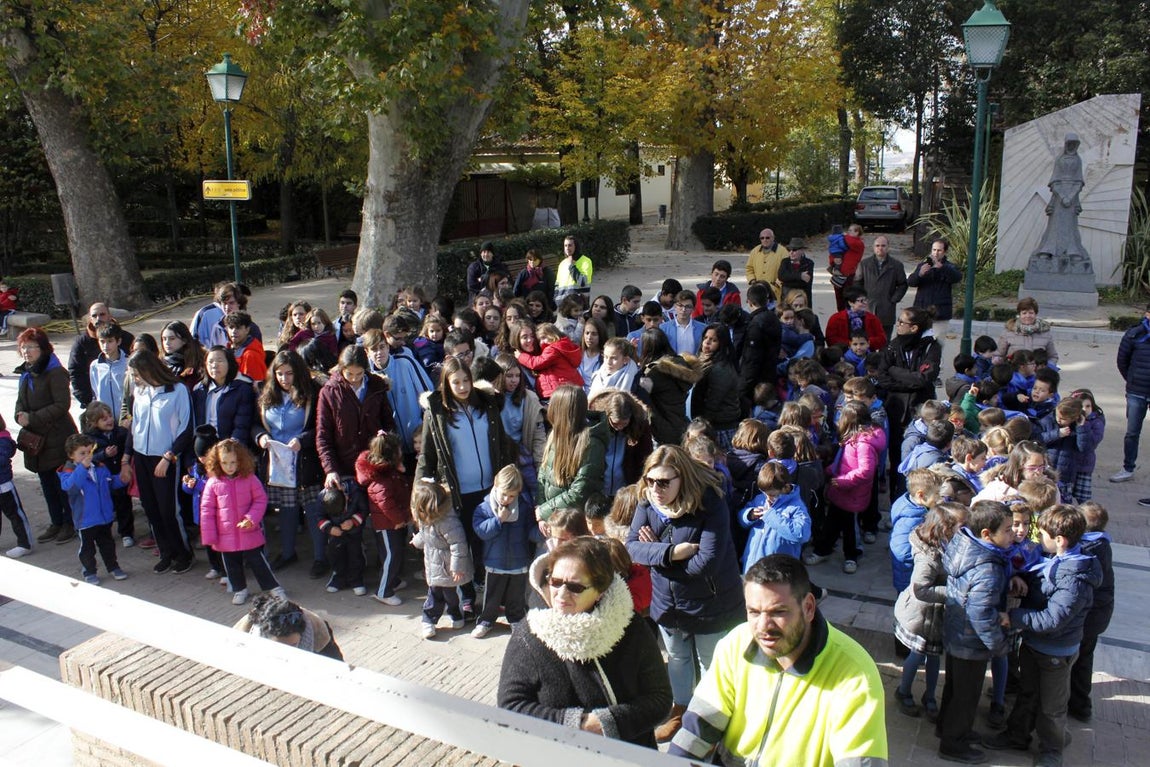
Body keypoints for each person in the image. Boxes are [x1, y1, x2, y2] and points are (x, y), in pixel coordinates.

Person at [669, 553, 888, 766]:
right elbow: (700, 724)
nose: (763, 627)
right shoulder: (736, 642)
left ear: (809, 608)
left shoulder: (856, 675)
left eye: (778, 612)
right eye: (754, 612)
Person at [498, 536, 672, 747]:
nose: (561, 594)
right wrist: (573, 724)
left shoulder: (629, 626)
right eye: (555, 581)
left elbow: (660, 699)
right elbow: (510, 706)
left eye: (575, 587)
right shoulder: (530, 634)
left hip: (628, 754)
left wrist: (610, 722)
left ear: (600, 591)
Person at [626, 445, 744, 742]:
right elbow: (631, 548)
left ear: (683, 478)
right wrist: (672, 552)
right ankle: (680, 710)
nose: (656, 489)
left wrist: (656, 557)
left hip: (711, 601)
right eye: (651, 481)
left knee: (710, 662)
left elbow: (706, 563)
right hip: (668, 603)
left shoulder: (709, 503)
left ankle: (708, 718)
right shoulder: (646, 501)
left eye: (664, 482)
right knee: (677, 657)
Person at [984, 506, 1102, 767]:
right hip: (1035, 645)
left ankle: (1052, 749)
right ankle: (1017, 734)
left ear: (1060, 540)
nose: (1037, 539)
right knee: (1028, 693)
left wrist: (1014, 617)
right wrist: (1019, 579)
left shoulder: (1076, 578)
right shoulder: (1056, 561)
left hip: (1056, 653)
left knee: (1052, 707)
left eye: (1043, 534)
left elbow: (1052, 619)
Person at [417, 356, 515, 616]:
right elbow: (427, 456)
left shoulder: (487, 404)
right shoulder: (436, 412)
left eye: (466, 381)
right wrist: (419, 491)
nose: (462, 387)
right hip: (457, 492)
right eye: (456, 382)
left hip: (488, 490)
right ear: (446, 384)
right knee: (462, 548)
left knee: (488, 543)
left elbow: (501, 443)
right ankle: (467, 597)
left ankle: (493, 597)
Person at [937, 500, 1013, 764]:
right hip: (972, 641)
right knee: (966, 696)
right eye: (1007, 529)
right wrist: (999, 645)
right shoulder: (988, 568)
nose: (1013, 534)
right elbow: (981, 614)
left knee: (955, 688)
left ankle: (946, 729)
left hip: (956, 631)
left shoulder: (963, 545)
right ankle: (953, 743)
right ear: (986, 534)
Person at [892, 502, 966, 721]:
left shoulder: (950, 545)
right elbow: (920, 590)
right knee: (917, 656)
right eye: (962, 526)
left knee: (934, 657)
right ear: (945, 529)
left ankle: (930, 696)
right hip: (921, 616)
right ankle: (904, 691)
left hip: (936, 617)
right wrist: (952, 592)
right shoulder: (929, 558)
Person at [253, 350, 324, 574]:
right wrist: (260, 437)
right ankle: (287, 553)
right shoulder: (264, 393)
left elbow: (321, 428)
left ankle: (321, 557)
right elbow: (254, 425)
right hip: (278, 463)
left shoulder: (313, 393)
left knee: (313, 511)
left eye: (289, 374)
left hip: (305, 462)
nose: (284, 379)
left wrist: (302, 440)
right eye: (280, 374)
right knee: (287, 510)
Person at [124, 349, 194, 574]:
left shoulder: (178, 390)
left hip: (164, 458)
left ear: (148, 369)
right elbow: (134, 427)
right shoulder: (141, 391)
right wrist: (127, 458)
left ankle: (183, 553)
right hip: (141, 457)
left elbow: (186, 429)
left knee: (168, 510)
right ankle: (166, 552)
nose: (134, 379)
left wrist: (169, 456)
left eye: (136, 374)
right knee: (150, 508)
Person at [198, 439, 282, 606]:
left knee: (258, 562)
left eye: (233, 462)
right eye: (225, 463)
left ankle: (273, 587)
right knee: (231, 565)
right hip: (225, 535)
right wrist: (210, 536)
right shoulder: (213, 483)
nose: (229, 467)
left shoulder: (250, 478)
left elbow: (260, 499)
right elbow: (206, 510)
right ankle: (239, 589)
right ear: (217, 462)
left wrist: (251, 519)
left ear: (240, 461)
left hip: (248, 531)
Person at [15, 328, 79, 544]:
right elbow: (20, 402)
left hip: (57, 437)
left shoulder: (55, 372)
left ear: (42, 349)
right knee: (46, 483)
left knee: (61, 482)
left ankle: (69, 523)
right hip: (37, 442)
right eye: (23, 347)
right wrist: (20, 415)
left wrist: (32, 418)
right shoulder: (26, 372)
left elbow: (62, 405)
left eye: (30, 347)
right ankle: (56, 522)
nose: (26, 352)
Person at [875, 307, 942, 493]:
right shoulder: (893, 346)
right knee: (897, 456)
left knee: (917, 454)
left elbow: (924, 378)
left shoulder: (931, 347)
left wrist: (895, 372)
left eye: (902, 322)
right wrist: (909, 380)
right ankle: (896, 496)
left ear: (914, 328)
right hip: (896, 408)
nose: (898, 325)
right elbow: (883, 377)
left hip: (919, 409)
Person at [471, 465, 541, 638]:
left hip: (518, 561)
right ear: (496, 485)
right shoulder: (484, 508)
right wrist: (498, 520)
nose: (507, 499)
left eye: (512, 496)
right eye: (504, 494)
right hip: (494, 562)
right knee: (492, 596)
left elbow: (529, 530)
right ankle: (486, 621)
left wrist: (542, 531)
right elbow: (481, 531)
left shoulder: (523, 508)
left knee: (516, 596)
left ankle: (516, 619)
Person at [58, 434, 129, 585]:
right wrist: (82, 468)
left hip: (104, 517)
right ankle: (89, 571)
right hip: (85, 520)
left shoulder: (100, 467)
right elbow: (70, 487)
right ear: (72, 455)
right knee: (87, 549)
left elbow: (109, 483)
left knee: (108, 545)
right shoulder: (68, 472)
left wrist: (121, 480)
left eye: (89, 452)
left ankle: (113, 567)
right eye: (82, 453)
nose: (86, 456)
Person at [534, 385, 608, 523]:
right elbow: (543, 474)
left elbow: (580, 491)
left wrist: (544, 512)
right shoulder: (555, 434)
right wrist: (541, 508)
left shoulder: (591, 444)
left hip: (573, 521)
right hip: (553, 518)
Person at [411, 479, 474, 639]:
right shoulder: (427, 519)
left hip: (447, 567)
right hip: (434, 565)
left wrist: (457, 567)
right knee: (434, 595)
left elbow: (458, 544)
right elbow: (425, 536)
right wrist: (416, 541)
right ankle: (428, 620)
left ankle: (455, 614)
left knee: (451, 595)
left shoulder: (448, 521)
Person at [356, 432, 412, 606]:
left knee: (391, 554)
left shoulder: (388, 472)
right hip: (388, 525)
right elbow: (385, 503)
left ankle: (392, 581)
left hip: (393, 524)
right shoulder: (382, 479)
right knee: (391, 555)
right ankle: (383, 591)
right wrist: (399, 520)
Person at [234, 592, 344, 660]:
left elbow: (337, 668)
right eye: (279, 646)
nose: (287, 652)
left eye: (293, 645)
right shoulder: (245, 634)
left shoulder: (319, 632)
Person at [638, 328, 701, 446]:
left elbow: (638, 392)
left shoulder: (654, 372)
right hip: (681, 423)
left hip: (661, 428)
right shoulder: (681, 363)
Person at [68, 303, 136, 408]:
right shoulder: (81, 343)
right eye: (94, 316)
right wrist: (87, 401)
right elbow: (75, 371)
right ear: (90, 318)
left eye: (102, 314)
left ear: (109, 316)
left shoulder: (126, 338)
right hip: (97, 409)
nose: (98, 318)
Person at [1112, 302, 1150, 482]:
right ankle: (1128, 468)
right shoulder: (1134, 334)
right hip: (1136, 391)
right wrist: (1132, 379)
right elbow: (1122, 361)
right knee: (1132, 432)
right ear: (1147, 314)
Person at [192, 346, 255, 448]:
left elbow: (242, 427)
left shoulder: (242, 390)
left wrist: (230, 449)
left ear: (229, 363)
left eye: (220, 361)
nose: (214, 365)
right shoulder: (199, 390)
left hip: (229, 449)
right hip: (203, 448)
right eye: (210, 362)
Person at [690, 324, 741, 449]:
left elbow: (713, 403)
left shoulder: (720, 368)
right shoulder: (703, 361)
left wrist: (701, 428)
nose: (707, 342)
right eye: (706, 338)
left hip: (720, 428)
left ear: (722, 344)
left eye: (713, 340)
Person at [316, 484, 367, 596]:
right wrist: (329, 528)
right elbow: (319, 517)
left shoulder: (357, 493)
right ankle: (339, 578)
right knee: (335, 555)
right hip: (335, 534)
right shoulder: (321, 498)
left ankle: (356, 580)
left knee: (355, 555)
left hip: (354, 532)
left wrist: (353, 521)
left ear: (346, 497)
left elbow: (364, 510)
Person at [738, 283, 781, 413]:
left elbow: (752, 359)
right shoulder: (773, 318)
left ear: (749, 302)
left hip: (755, 382)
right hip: (770, 375)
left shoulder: (755, 324)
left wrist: (742, 387)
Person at [855, 235, 909, 339]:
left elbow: (903, 284)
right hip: (868, 307)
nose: (880, 248)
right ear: (873, 247)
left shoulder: (896, 265)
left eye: (883, 245)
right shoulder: (864, 264)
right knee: (867, 340)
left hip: (887, 309)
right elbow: (857, 283)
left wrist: (893, 299)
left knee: (884, 341)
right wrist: (862, 300)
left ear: (888, 247)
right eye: (877, 245)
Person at [0, 414, 34, 558]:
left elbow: (2, 458)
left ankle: (25, 544)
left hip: (4, 485)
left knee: (15, 514)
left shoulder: (3, 440)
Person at [907, 239, 962, 321]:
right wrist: (919, 274)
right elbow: (911, 282)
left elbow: (956, 278)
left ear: (945, 252)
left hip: (940, 312)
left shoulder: (950, 266)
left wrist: (942, 268)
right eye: (934, 250)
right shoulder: (923, 265)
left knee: (938, 334)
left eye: (939, 250)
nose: (936, 253)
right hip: (922, 310)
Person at [997, 297, 1059, 366]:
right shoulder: (1008, 332)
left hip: (1038, 374)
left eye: (1031, 313)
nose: (1028, 316)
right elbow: (999, 355)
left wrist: (1047, 369)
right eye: (1024, 313)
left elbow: (1053, 357)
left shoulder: (1045, 332)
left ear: (1036, 314)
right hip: (1014, 372)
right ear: (1019, 314)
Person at [824, 286, 887, 350]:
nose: (865, 303)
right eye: (861, 301)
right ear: (850, 302)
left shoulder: (873, 319)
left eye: (866, 300)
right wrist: (851, 344)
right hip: (842, 352)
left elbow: (882, 338)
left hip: (868, 353)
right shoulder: (836, 318)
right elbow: (830, 339)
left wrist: (865, 343)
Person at [88, 324, 129, 418]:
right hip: (104, 419)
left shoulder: (128, 364)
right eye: (102, 341)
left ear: (118, 341)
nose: (105, 346)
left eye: (110, 341)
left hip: (125, 418)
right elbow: (96, 392)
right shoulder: (95, 366)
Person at [224, 312, 267, 383]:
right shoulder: (229, 348)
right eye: (231, 327)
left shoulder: (251, 355)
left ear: (247, 330)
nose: (234, 331)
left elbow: (256, 385)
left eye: (238, 328)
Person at [661, 290, 706, 356]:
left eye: (688, 306)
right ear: (675, 306)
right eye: (680, 305)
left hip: (694, 365)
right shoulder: (663, 328)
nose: (683, 309)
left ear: (693, 309)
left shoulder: (703, 328)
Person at [745, 228, 788, 292]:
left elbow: (786, 271)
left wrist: (776, 286)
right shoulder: (754, 251)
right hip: (758, 291)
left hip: (776, 292)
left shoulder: (783, 252)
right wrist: (753, 281)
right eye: (762, 238)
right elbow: (749, 269)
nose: (765, 240)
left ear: (773, 238)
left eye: (767, 238)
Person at [777, 238, 815, 307]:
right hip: (787, 301)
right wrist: (800, 276)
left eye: (794, 250)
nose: (791, 252)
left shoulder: (809, 263)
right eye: (789, 250)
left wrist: (788, 279)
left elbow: (806, 281)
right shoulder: (785, 262)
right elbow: (781, 276)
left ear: (802, 250)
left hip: (803, 303)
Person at [554, 235, 593, 302]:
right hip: (563, 306)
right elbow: (557, 285)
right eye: (565, 245)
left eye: (570, 245)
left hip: (579, 305)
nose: (567, 248)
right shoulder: (562, 264)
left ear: (576, 247)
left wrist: (571, 266)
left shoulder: (586, 261)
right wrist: (556, 300)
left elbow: (583, 282)